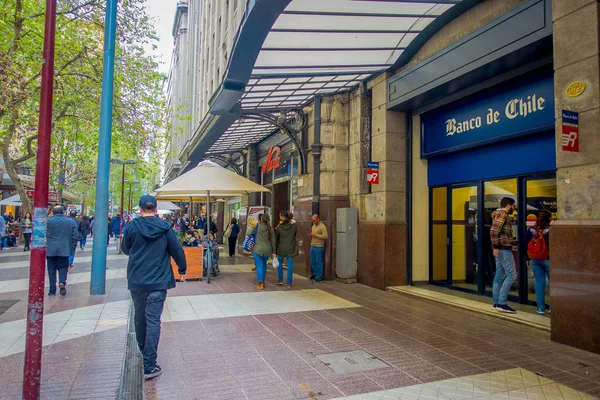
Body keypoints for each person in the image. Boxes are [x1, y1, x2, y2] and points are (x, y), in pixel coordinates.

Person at [122, 195, 187, 381]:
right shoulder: (165, 228)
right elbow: (177, 251)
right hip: (158, 281)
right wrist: (182, 269)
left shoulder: (132, 227)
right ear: (156, 209)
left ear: (140, 209)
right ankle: (149, 365)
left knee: (139, 316)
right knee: (153, 321)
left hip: (137, 280)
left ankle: (144, 352)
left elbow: (126, 249)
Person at [491, 197, 518, 314]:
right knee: (512, 275)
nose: (514, 208)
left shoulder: (499, 214)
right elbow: (493, 231)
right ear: (508, 205)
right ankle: (501, 303)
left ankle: (496, 303)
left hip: (501, 248)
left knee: (499, 276)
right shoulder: (503, 215)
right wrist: (496, 247)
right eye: (513, 205)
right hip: (503, 249)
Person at [46, 206, 78, 296]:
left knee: (51, 270)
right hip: (64, 249)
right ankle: (62, 282)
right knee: (63, 267)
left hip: (50, 249)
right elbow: (75, 236)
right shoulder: (70, 221)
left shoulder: (48, 221)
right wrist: (71, 248)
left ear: (53, 212)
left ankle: (52, 290)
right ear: (63, 212)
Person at [526, 210, 551, 315]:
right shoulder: (550, 230)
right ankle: (552, 308)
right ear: (549, 219)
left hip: (534, 259)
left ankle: (540, 308)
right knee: (552, 284)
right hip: (548, 258)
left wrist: (527, 258)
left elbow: (525, 243)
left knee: (539, 283)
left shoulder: (531, 229)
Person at [251, 213, 276, 290]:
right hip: (267, 250)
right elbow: (273, 241)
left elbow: (249, 233)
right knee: (264, 265)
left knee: (259, 266)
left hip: (257, 250)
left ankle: (260, 283)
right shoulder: (270, 228)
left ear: (261, 219)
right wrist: (274, 252)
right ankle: (264, 282)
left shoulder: (257, 226)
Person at [276, 211, 297, 288]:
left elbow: (276, 238)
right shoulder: (294, 226)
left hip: (282, 247)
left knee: (280, 263)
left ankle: (280, 280)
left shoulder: (279, 226)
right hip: (291, 247)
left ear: (282, 217)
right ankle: (289, 283)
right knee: (290, 265)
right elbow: (295, 234)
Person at [309, 214, 328, 283]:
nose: (313, 222)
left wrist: (315, 235)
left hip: (319, 246)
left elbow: (325, 236)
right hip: (313, 245)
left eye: (314, 220)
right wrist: (311, 235)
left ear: (318, 219)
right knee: (312, 262)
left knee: (318, 262)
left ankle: (319, 277)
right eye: (312, 221)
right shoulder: (314, 226)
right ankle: (314, 274)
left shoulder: (322, 227)